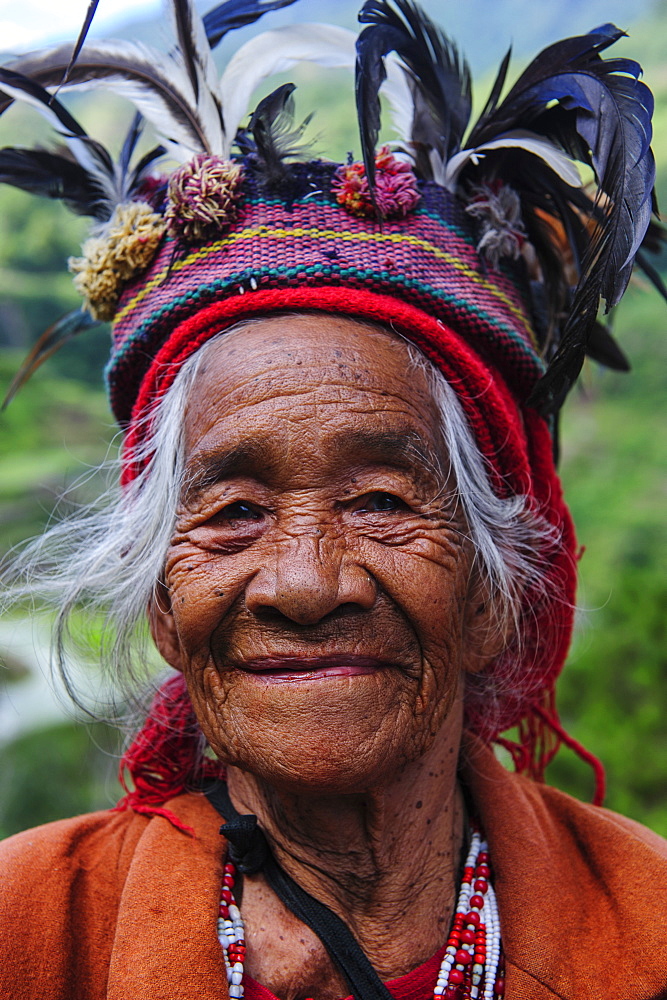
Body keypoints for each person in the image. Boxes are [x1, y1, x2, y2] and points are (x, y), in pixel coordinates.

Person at [0, 2, 666, 998]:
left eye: (381, 499)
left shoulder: (645, 927)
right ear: (162, 608)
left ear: (495, 590)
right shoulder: (31, 929)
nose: (306, 583)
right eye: (232, 513)